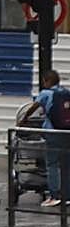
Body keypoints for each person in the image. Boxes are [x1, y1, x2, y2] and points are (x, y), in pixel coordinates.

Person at [35, 70, 70, 206]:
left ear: (47, 81)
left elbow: (34, 107)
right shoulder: (65, 93)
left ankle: (54, 195)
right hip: (67, 132)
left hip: (53, 132)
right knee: (66, 164)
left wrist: (23, 119)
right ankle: (67, 196)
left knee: (52, 164)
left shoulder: (45, 93)